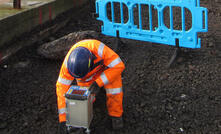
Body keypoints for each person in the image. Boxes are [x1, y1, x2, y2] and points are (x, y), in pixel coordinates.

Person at [56, 34, 125, 133]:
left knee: (114, 88)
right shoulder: (68, 65)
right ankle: (82, 120)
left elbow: (119, 66)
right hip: (87, 79)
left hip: (105, 71)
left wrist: (98, 83)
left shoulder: (99, 49)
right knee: (85, 97)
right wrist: (63, 119)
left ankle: (115, 116)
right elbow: (61, 89)